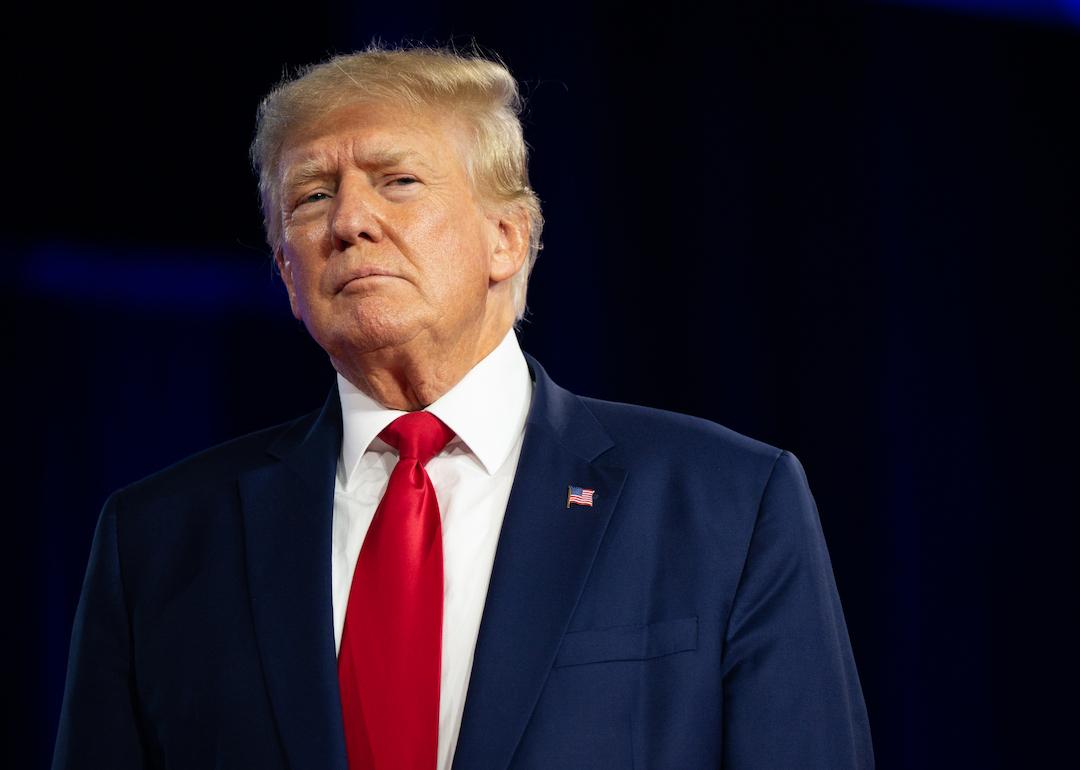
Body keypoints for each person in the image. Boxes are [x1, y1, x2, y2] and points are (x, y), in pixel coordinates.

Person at [52, 46, 874, 769]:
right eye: (309, 197)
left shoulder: (728, 501)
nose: (348, 221)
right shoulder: (158, 540)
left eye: (397, 181)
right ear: (285, 270)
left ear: (507, 238)